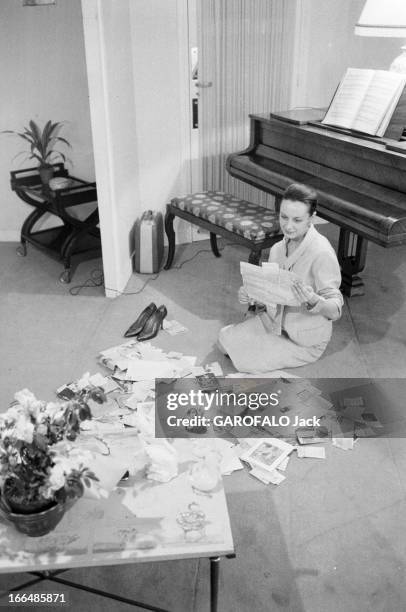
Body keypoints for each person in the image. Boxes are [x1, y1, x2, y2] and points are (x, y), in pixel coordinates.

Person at [218, 183, 343, 373]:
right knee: (223, 340)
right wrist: (251, 294)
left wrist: (313, 299)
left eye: (297, 220)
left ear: (311, 219)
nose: (288, 226)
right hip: (275, 324)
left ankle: (263, 349)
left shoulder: (322, 253)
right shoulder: (277, 248)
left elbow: (335, 311)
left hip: (304, 341)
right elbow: (272, 291)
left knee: (245, 363)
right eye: (284, 217)